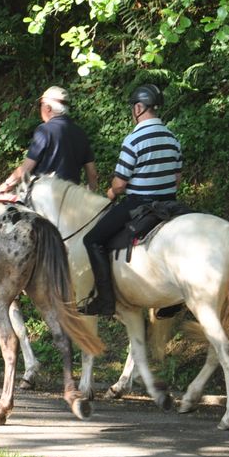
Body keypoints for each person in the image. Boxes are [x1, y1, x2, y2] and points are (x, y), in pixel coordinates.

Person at [78, 84, 182, 316]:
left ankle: (105, 301)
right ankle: (175, 299)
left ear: (138, 108)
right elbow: (176, 179)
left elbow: (120, 184)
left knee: (92, 239)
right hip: (171, 204)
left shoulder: (134, 139)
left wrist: (111, 194)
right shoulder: (172, 138)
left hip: (139, 204)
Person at [0, 85, 97, 193]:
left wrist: (5, 186)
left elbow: (26, 169)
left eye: (41, 104)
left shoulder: (44, 130)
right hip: (70, 198)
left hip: (43, 198)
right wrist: (91, 191)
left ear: (48, 108)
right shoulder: (80, 133)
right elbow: (92, 173)